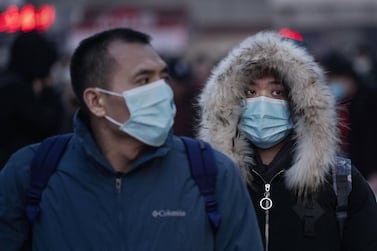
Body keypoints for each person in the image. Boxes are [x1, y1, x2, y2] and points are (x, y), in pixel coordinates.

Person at [0, 28, 263, 251]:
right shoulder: (31, 173)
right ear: (96, 101)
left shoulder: (212, 173)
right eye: (143, 80)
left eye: (163, 78)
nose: (161, 91)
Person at [197, 30, 377, 251]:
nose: (262, 103)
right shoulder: (208, 182)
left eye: (277, 92)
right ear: (230, 100)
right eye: (251, 91)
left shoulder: (340, 182)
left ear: (301, 102)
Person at [0, 31, 65, 169]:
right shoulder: (17, 90)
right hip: (17, 169)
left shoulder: (7, 82)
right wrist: (49, 91)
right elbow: (48, 123)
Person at [319, 51, 377, 196]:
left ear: (347, 78)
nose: (331, 86)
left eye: (333, 80)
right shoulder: (336, 102)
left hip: (369, 171)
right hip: (346, 167)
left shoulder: (369, 99)